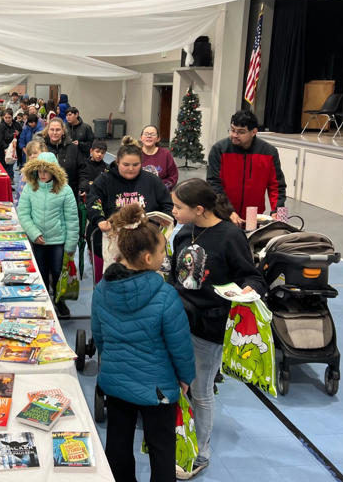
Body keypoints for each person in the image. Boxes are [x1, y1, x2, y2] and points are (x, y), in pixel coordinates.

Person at [92, 203, 195, 482]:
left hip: (115, 382)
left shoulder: (102, 289)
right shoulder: (165, 296)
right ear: (148, 258)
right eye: (162, 252)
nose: (164, 256)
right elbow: (180, 347)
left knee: (118, 443)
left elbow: (99, 336)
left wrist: (113, 361)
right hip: (158, 388)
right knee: (162, 448)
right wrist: (185, 379)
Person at [171, 178, 266, 479]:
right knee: (179, 385)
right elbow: (177, 274)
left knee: (200, 389)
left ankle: (201, 451)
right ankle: (180, 437)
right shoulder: (184, 231)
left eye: (178, 207)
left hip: (209, 327)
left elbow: (252, 277)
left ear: (199, 209)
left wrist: (247, 292)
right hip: (178, 321)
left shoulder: (229, 236)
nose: (173, 211)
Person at [86, 136, 173, 284]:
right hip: (109, 244)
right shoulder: (104, 180)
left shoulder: (152, 180)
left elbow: (167, 205)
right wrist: (99, 219)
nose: (131, 169)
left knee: (142, 287)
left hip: (144, 244)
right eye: (126, 164)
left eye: (135, 165)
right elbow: (93, 201)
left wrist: (166, 218)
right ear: (117, 162)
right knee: (109, 285)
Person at [17, 151, 78, 319]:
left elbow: (72, 219)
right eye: (39, 171)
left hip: (58, 241)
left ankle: (59, 301)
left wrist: (71, 245)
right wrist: (34, 233)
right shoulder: (30, 188)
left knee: (59, 272)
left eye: (46, 171)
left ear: (54, 171)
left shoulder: (65, 190)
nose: (42, 175)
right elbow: (23, 213)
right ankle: (44, 302)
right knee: (41, 273)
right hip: (38, 241)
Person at [206, 110, 286, 226]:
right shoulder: (218, 150)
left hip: (254, 216)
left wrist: (279, 214)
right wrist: (228, 211)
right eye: (232, 130)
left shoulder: (269, 152)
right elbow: (214, 184)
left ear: (254, 132)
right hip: (223, 214)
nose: (234, 135)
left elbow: (277, 186)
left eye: (241, 132)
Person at [41, 117, 89, 201]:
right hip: (47, 194)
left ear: (63, 131)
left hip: (69, 193)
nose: (55, 133)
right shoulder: (41, 148)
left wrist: (83, 186)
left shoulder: (73, 148)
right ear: (47, 131)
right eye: (52, 129)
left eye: (58, 130)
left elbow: (82, 170)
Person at [140, 124, 179, 191]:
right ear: (141, 138)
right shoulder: (134, 153)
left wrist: (160, 188)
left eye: (152, 134)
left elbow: (173, 176)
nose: (149, 136)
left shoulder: (165, 154)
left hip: (160, 191)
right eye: (146, 134)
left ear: (158, 138)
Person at [0, 108, 18, 180]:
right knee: (2, 169)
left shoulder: (14, 126)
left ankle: (9, 184)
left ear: (12, 117)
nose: (7, 119)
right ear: (3, 117)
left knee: (10, 168)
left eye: (9, 117)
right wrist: (6, 147)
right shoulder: (0, 126)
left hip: (10, 151)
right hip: (1, 151)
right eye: (6, 118)